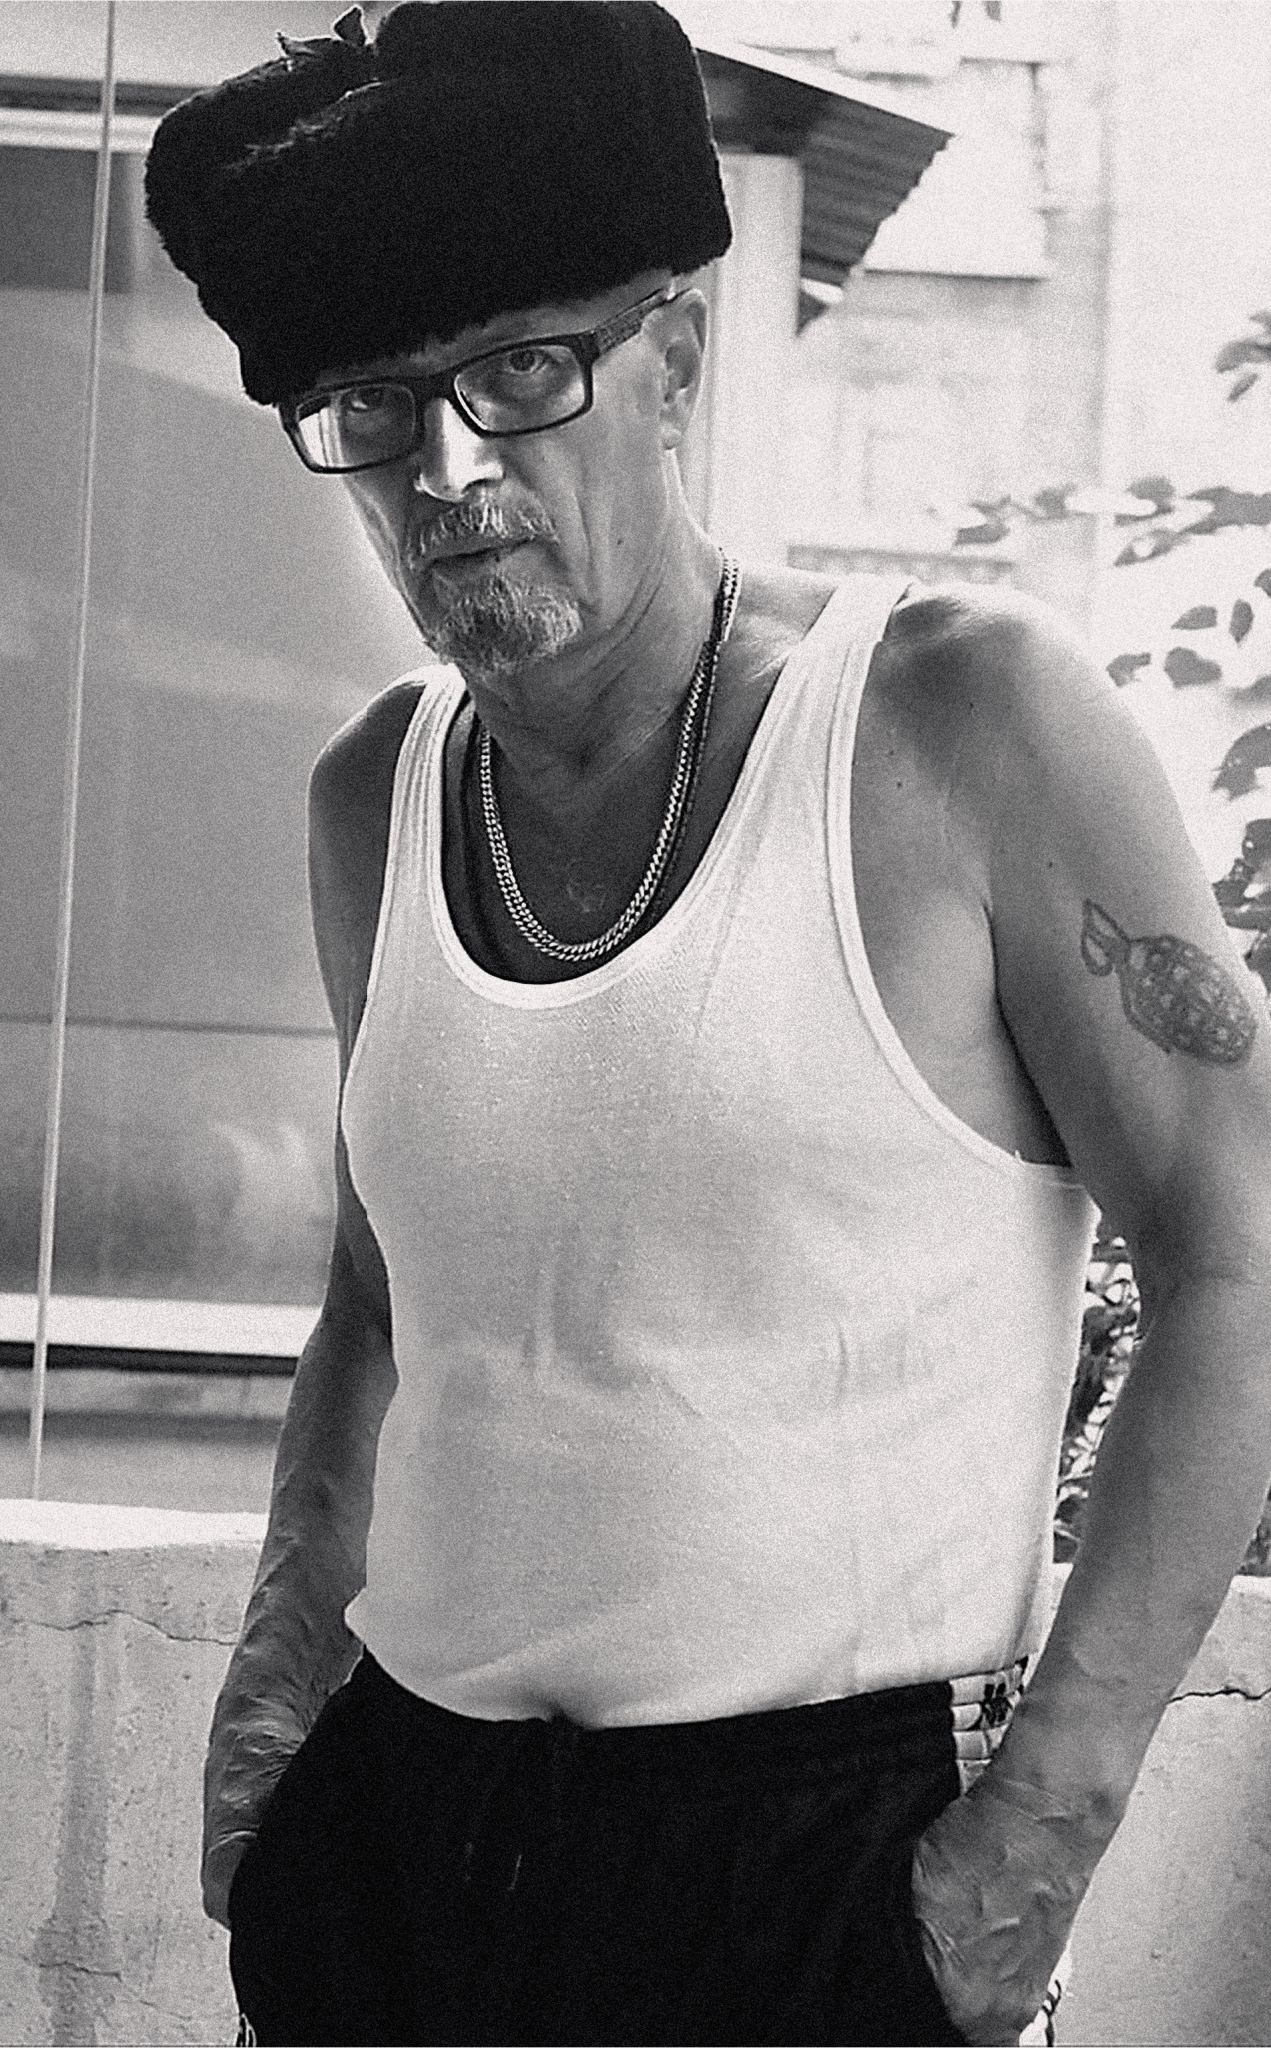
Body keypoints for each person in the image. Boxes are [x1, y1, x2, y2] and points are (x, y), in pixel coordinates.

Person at [145, 6, 1271, 2042]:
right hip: (404, 1843)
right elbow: (383, 1299)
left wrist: (1037, 1832)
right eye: (375, 406)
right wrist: (275, 1704)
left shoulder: (954, 721)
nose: (450, 470)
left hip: (823, 1869)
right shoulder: (372, 797)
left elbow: (1238, 1246)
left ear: (674, 358)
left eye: (520, 372)